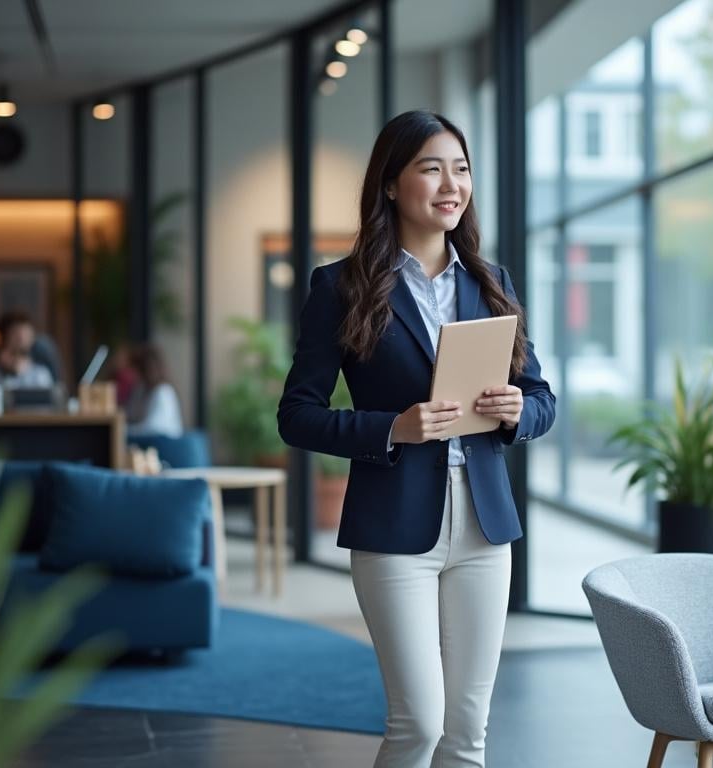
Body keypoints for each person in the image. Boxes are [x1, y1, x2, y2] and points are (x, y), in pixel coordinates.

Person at [278, 110, 555, 768]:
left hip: (485, 529)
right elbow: (296, 414)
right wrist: (391, 428)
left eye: (460, 169)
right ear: (392, 185)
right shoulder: (340, 287)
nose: (450, 184)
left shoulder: (492, 285)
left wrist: (518, 409)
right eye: (431, 168)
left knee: (467, 732)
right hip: (393, 526)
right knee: (419, 724)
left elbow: (543, 400)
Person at [0, 310, 55, 390]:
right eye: (15, 335)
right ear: (3, 338)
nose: (21, 339)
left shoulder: (40, 375)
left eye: (27, 335)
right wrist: (7, 373)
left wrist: (20, 374)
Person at [125, 343, 183, 437]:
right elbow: (130, 414)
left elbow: (154, 429)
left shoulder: (163, 392)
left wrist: (123, 430)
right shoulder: (141, 390)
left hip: (166, 446)